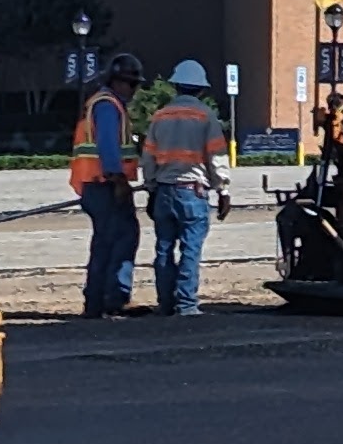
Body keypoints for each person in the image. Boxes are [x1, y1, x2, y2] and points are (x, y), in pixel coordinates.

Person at [142, 61, 228, 315]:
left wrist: (151, 188)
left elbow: (148, 158)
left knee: (164, 248)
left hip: (164, 191)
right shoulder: (205, 117)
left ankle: (165, 303)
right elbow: (217, 156)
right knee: (190, 248)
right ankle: (186, 304)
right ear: (201, 89)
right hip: (193, 191)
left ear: (176, 86)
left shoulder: (160, 116)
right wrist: (223, 190)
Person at [66, 52, 148, 317]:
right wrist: (118, 180)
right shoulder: (107, 105)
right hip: (104, 184)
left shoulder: (103, 103)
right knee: (119, 237)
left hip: (97, 184)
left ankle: (99, 301)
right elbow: (109, 147)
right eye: (132, 84)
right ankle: (112, 298)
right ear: (118, 82)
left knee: (107, 241)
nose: (134, 90)